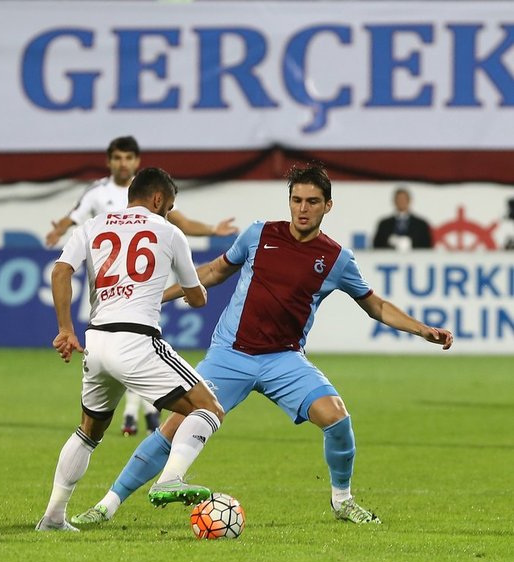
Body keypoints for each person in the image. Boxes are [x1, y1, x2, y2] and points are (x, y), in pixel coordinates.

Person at [72, 163, 453, 528]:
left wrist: (421, 330)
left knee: (336, 417)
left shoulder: (336, 258)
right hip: (229, 355)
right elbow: (214, 271)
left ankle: (342, 500)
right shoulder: (259, 234)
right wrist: (160, 296)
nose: (303, 209)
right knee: (175, 427)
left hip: (283, 359)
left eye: (312, 202)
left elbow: (376, 306)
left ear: (328, 206)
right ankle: (107, 505)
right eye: (297, 200)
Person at [36, 167, 224, 531]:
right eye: (169, 206)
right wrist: (195, 293)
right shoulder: (169, 232)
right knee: (209, 408)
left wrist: (65, 329)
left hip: (97, 342)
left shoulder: (92, 226)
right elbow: (198, 296)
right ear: (158, 199)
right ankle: (170, 478)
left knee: (88, 432)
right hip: (137, 341)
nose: (169, 212)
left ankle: (54, 516)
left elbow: (60, 272)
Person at [45, 135, 238, 436]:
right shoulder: (104, 195)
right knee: (203, 406)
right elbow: (72, 216)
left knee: (88, 432)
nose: (123, 163)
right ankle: (149, 426)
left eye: (128, 158)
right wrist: (59, 227)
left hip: (101, 327)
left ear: (136, 162)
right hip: (128, 310)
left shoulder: (110, 214)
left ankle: (136, 415)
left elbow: (62, 265)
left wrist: (65, 328)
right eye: (118, 157)